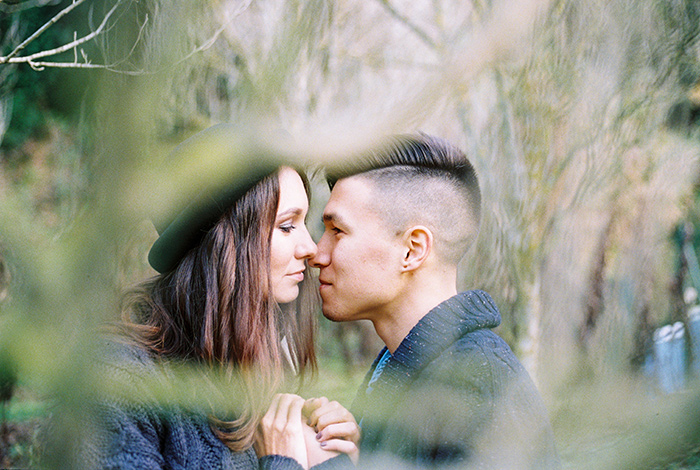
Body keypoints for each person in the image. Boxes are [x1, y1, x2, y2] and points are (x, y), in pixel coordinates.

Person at [49, 124, 357, 470]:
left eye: (304, 224)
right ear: (224, 247)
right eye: (286, 226)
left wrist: (325, 453)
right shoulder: (114, 382)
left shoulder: (240, 362)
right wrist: (282, 462)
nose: (311, 247)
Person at [305, 133, 560, 469]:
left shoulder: (479, 385)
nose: (316, 253)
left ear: (412, 249)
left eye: (337, 231)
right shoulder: (401, 363)